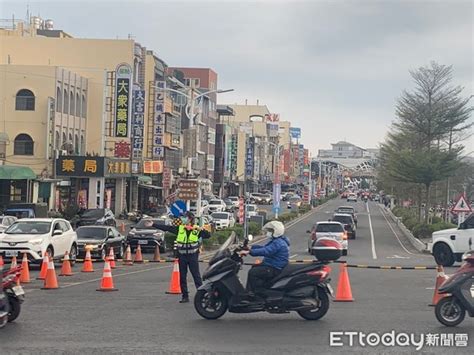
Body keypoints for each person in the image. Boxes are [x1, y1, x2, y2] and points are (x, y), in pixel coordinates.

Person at [145, 211, 211, 303]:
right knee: (182, 277)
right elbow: (167, 228)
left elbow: (208, 235)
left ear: (190, 219)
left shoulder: (196, 230)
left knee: (196, 276)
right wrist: (154, 224)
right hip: (182, 256)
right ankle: (185, 296)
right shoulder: (180, 228)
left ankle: (202, 295)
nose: (183, 219)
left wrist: (200, 229)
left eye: (185, 217)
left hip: (193, 256)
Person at [240, 220, 290, 296]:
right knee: (254, 267)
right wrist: (250, 247)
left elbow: (266, 251)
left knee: (253, 272)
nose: (268, 232)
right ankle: (251, 292)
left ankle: (257, 292)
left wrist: (249, 252)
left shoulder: (278, 243)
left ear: (276, 232)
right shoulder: (277, 241)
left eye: (270, 231)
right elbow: (264, 247)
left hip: (274, 268)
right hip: (271, 265)